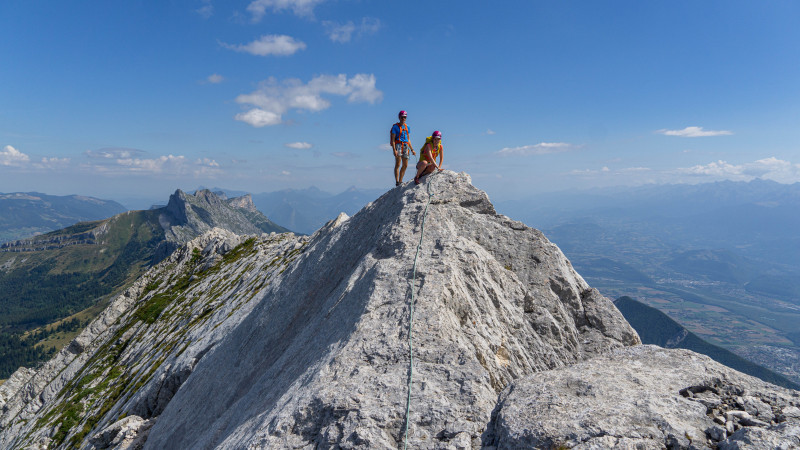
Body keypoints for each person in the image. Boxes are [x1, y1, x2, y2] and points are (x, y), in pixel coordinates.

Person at [390, 110, 415, 186]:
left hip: (406, 146)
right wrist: (394, 150)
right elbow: (393, 139)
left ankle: (400, 181)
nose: (404, 118)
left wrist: (412, 149)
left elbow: (408, 139)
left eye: (405, 117)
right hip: (398, 145)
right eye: (402, 117)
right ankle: (397, 181)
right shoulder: (395, 127)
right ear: (399, 117)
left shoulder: (408, 127)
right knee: (398, 163)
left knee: (405, 165)